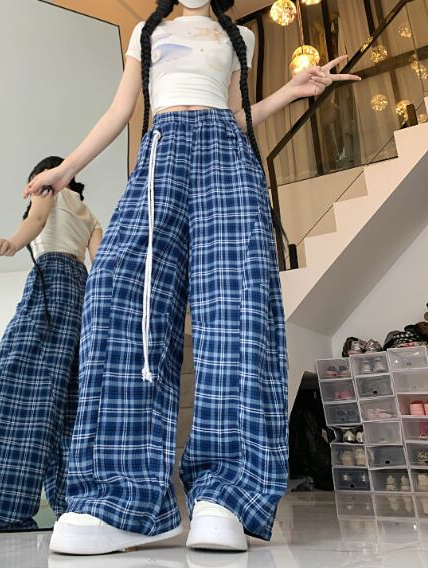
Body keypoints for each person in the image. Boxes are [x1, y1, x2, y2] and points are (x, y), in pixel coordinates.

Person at [25, 0, 360, 554]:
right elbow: (121, 110)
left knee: (236, 310)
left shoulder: (241, 37)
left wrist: (292, 91)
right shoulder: (146, 31)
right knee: (114, 298)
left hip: (227, 158)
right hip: (160, 155)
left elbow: (234, 115)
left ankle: (223, 497)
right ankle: (123, 498)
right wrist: (66, 170)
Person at [0, 156, 102, 531]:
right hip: (82, 297)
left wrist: (12, 243)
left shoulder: (48, 188)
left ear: (45, 176)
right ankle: (77, 513)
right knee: (69, 406)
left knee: (12, 389)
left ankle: (1, 515)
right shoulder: (90, 214)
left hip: (51, 284)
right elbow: (100, 264)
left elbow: (37, 220)